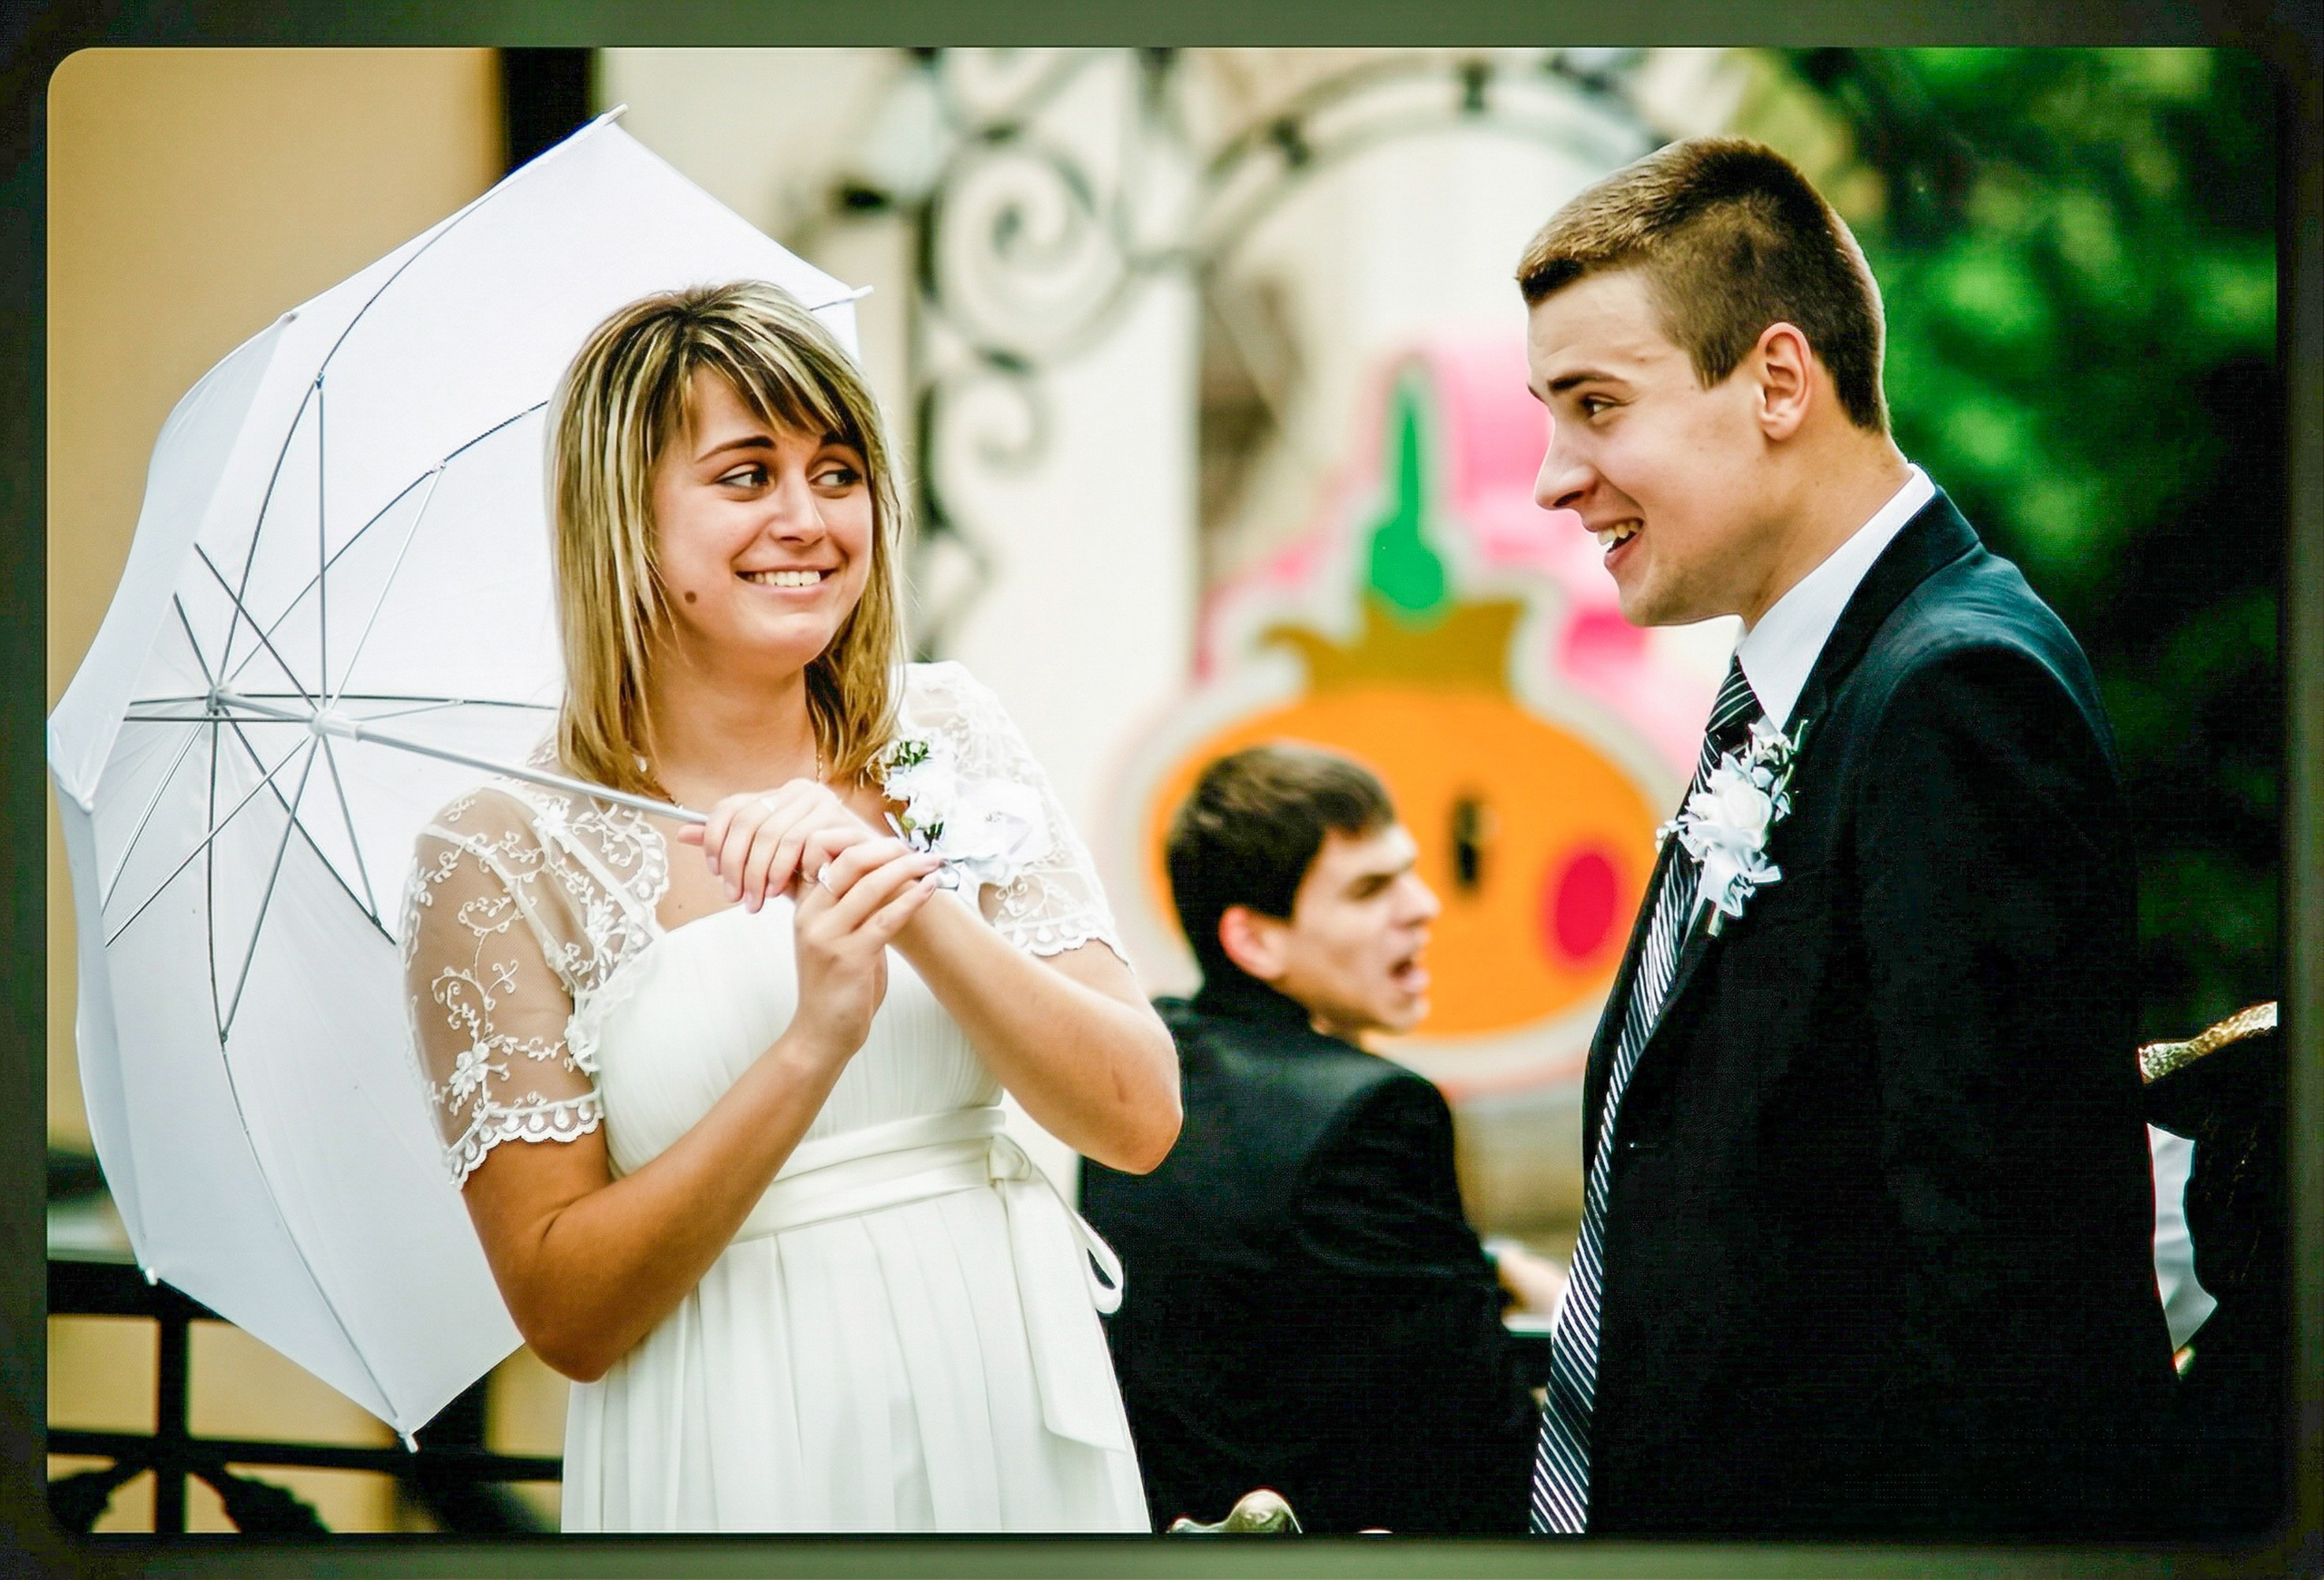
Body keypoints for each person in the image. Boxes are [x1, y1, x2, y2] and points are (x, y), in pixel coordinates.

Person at [400, 281, 1179, 1532]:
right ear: (627, 520)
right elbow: (568, 1314)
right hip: (735, 1428)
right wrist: (814, 1039)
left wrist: (915, 904)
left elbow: (1139, 1118)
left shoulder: (950, 735)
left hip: (1000, 1377)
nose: (809, 521)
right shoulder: (501, 853)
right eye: (747, 475)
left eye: (838, 472)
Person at [1513, 137, 2177, 1538]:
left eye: (1595, 406)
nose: (1554, 480)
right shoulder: (1807, 681)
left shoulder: (1952, 695)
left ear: (1774, 381)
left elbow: (2010, 1279)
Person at [1079, 745, 1558, 1535]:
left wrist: (1497, 1267)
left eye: (1407, 871)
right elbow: (1477, 1429)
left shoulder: (1153, 1059)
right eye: (1371, 890)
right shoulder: (1376, 1111)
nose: (1423, 906)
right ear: (1256, 940)